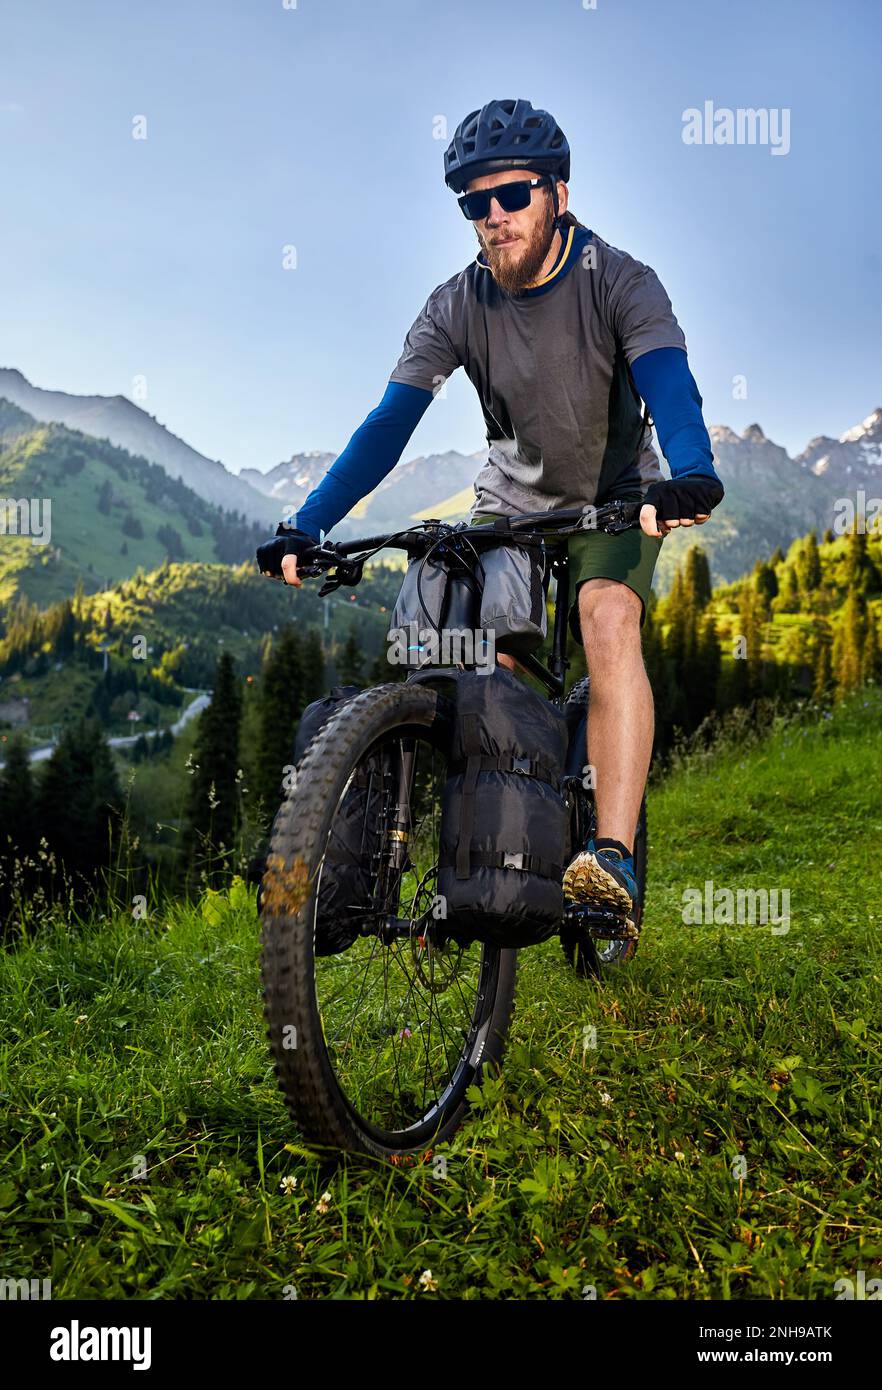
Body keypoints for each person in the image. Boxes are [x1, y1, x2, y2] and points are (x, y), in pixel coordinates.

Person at [256, 97, 724, 930]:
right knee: (470, 657)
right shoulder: (455, 304)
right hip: (509, 499)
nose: (495, 219)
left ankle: (610, 860)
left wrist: (689, 471)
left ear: (560, 195)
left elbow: (667, 383)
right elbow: (389, 424)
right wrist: (310, 520)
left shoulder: (621, 281)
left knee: (605, 614)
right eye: (475, 204)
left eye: (513, 197)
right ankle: (496, 863)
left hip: (615, 495)